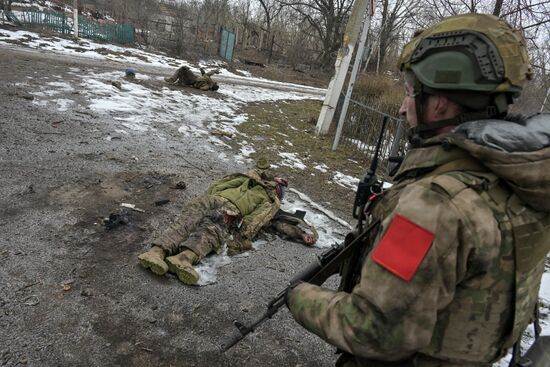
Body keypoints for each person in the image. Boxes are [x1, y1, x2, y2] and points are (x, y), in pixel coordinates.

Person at [286, 13, 550, 367]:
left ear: (440, 102)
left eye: (410, 92)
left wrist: (298, 297)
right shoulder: (521, 174)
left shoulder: (437, 205)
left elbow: (372, 332)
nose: (401, 105)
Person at [138, 159, 317, 285]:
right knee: (197, 221)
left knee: (203, 226)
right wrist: (271, 177)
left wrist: (301, 235)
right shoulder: (251, 183)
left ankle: (170, 255)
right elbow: (255, 173)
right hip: (219, 201)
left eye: (276, 187)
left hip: (224, 206)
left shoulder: (266, 198)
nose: (274, 186)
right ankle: (168, 255)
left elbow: (274, 222)